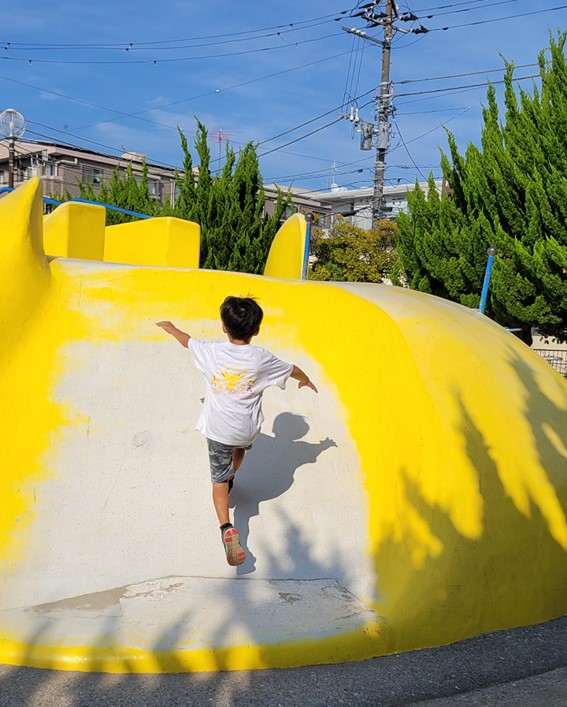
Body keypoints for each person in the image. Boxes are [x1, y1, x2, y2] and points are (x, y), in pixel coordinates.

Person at [156, 295, 318, 567]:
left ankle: (227, 528)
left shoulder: (212, 352)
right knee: (240, 449)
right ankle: (233, 475)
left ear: (223, 327)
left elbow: (187, 341)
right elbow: (292, 369)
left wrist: (171, 328)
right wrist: (306, 380)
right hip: (247, 431)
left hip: (219, 430)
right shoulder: (262, 358)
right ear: (256, 330)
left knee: (218, 482)